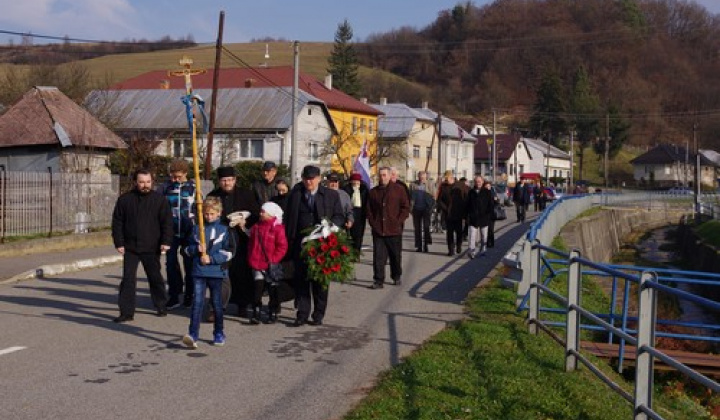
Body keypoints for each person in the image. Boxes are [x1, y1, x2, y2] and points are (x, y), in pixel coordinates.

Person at [284, 165, 344, 327]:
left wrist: (331, 228)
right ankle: (302, 314)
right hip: (300, 243)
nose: (309, 182)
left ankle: (318, 314)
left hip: (322, 244)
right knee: (301, 279)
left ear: (318, 179)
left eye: (312, 178)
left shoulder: (331, 195)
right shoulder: (296, 195)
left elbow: (339, 216)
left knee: (320, 280)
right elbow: (288, 218)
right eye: (306, 178)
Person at [111, 169, 173, 323]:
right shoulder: (125, 200)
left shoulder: (160, 200)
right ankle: (126, 312)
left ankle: (161, 305)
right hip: (130, 247)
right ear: (135, 182)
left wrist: (166, 242)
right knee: (128, 279)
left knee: (155, 277)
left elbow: (167, 223)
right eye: (141, 182)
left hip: (152, 247)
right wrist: (119, 242)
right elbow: (117, 222)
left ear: (152, 182)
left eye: (148, 182)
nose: (145, 185)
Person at [207, 166, 261, 317]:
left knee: (242, 273)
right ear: (219, 181)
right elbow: (207, 216)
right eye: (224, 180)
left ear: (235, 180)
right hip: (220, 240)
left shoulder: (247, 194)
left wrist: (245, 221)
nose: (227, 183)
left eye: (230, 180)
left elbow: (256, 214)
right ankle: (217, 307)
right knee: (219, 274)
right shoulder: (213, 196)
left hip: (242, 238)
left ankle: (242, 305)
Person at [182, 196, 235, 348]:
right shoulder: (196, 229)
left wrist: (212, 259)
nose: (209, 216)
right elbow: (185, 249)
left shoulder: (225, 230)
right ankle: (193, 334)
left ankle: (219, 332)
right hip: (199, 271)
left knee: (217, 304)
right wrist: (195, 249)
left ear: (219, 213)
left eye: (212, 213)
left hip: (216, 272)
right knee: (197, 303)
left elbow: (229, 252)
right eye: (206, 214)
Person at [159, 159, 196, 309]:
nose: (175, 180)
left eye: (178, 177)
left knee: (190, 264)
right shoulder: (165, 187)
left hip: (189, 232)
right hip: (170, 231)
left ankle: (190, 294)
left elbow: (201, 207)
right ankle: (174, 295)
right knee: (170, 264)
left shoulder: (194, 187)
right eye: (172, 176)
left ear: (185, 174)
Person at [366, 167, 410, 289]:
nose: (382, 177)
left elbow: (405, 207)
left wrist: (398, 221)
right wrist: (373, 223)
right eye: (380, 175)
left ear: (390, 176)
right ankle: (378, 280)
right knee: (378, 257)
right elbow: (369, 210)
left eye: (385, 175)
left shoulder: (399, 190)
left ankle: (396, 276)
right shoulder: (373, 192)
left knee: (395, 256)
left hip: (394, 230)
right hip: (379, 230)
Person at [247, 202, 288, 324]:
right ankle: (256, 310)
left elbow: (282, 247)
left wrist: (274, 259)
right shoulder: (256, 227)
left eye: (263, 212)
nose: (261, 214)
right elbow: (251, 244)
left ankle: (273, 311)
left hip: (271, 264)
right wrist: (251, 256)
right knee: (257, 288)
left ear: (271, 213)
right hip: (257, 263)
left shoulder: (277, 228)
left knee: (273, 290)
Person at [466, 177, 493, 258]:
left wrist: (488, 214)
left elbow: (490, 204)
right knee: (472, 235)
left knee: (484, 236)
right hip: (473, 217)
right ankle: (472, 251)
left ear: (482, 182)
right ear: (474, 182)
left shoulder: (487, 192)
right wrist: (467, 215)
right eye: (476, 182)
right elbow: (467, 204)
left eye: (479, 181)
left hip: (484, 217)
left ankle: (483, 250)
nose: (478, 183)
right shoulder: (471, 192)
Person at [342, 173, 369, 251]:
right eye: (354, 181)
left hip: (360, 213)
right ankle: (349, 251)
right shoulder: (346, 189)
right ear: (351, 181)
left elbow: (367, 201)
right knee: (349, 234)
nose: (356, 183)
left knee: (359, 234)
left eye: (358, 181)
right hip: (350, 211)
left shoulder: (364, 189)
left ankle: (357, 251)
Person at [410, 170, 434, 253]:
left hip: (426, 209)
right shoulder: (413, 185)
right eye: (420, 177)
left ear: (426, 177)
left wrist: (431, 207)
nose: (422, 179)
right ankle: (419, 246)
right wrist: (411, 208)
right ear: (418, 177)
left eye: (423, 178)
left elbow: (434, 196)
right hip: (416, 209)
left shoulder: (430, 184)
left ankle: (426, 245)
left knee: (426, 228)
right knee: (417, 229)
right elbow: (410, 196)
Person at [445, 174, 469, 256]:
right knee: (449, 233)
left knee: (458, 232)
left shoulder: (460, 186)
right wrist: (445, 208)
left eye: (447, 180)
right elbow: (440, 200)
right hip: (448, 215)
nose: (446, 181)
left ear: (452, 179)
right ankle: (451, 250)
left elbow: (466, 199)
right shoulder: (445, 187)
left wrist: (465, 212)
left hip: (458, 214)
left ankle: (459, 245)